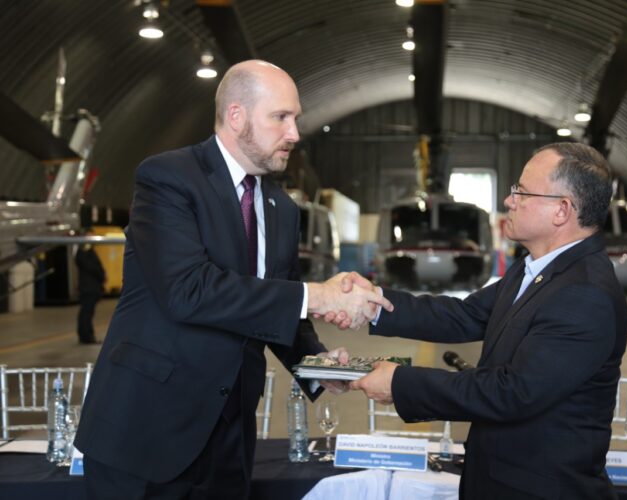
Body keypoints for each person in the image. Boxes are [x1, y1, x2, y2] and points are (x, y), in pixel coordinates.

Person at [74, 60, 391, 499]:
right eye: (281, 117)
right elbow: (188, 291)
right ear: (237, 116)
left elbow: (279, 311)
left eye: (295, 118)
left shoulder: (282, 209)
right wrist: (318, 295)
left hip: (229, 438)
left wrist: (318, 367)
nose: (294, 133)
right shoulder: (168, 178)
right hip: (146, 430)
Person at [341, 142, 627, 499]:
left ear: (561, 210)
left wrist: (400, 383)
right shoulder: (535, 268)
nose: (509, 201)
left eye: (522, 192)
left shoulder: (584, 293)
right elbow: (464, 315)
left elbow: (512, 393)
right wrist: (372, 303)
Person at [75, 234, 106, 344]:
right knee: (86, 312)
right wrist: (101, 275)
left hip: (91, 287)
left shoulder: (87, 252)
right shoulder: (84, 253)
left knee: (88, 312)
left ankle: (87, 335)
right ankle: (86, 336)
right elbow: (94, 268)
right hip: (88, 288)